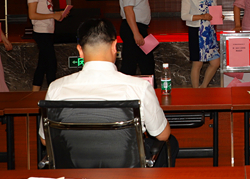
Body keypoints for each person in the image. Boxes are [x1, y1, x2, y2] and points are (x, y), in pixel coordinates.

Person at [40, 18, 178, 167]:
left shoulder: (56, 88)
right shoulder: (139, 87)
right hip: (126, 175)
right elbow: (163, 135)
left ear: (80, 50)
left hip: (75, 173)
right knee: (170, 143)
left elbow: (45, 140)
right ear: (114, 47)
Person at [181, 0, 220, 88]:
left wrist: (219, 15)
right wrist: (202, 16)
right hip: (197, 32)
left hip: (210, 32)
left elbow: (213, 10)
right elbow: (184, 16)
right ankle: (196, 92)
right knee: (197, 64)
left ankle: (203, 87)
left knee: (215, 62)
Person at [119, 0, 156, 83]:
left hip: (138, 28)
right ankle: (126, 92)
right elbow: (128, 9)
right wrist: (136, 33)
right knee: (130, 64)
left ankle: (150, 89)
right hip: (133, 28)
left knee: (147, 63)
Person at [28, 0, 63, 91]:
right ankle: (52, 93)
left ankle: (34, 92)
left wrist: (58, 14)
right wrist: (53, 15)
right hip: (41, 31)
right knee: (51, 64)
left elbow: (46, 11)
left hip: (48, 31)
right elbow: (32, 15)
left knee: (43, 64)